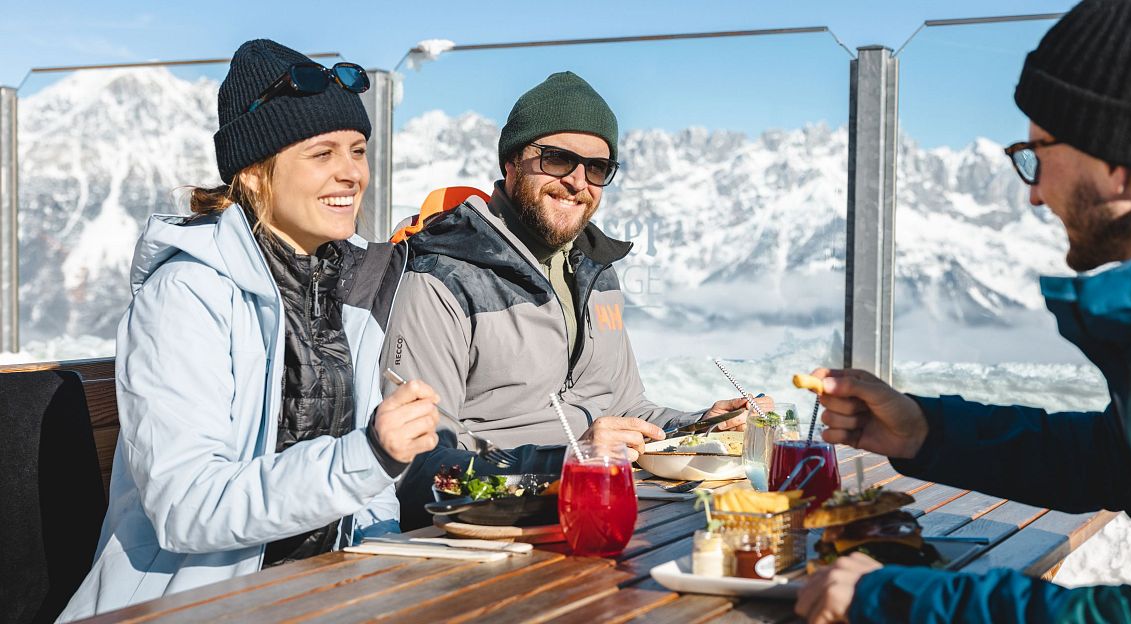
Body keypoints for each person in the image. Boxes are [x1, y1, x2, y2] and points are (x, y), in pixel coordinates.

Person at [795, 0, 1131, 622]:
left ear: (1117, 160)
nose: (1033, 192)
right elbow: (1121, 460)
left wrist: (894, 601)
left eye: (1036, 154)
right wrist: (924, 430)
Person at [58, 40, 441, 620]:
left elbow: (367, 491)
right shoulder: (186, 294)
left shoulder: (349, 286)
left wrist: (382, 567)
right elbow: (186, 506)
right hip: (191, 602)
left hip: (321, 595)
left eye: (358, 150)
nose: (351, 173)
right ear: (256, 174)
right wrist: (366, 455)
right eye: (322, 154)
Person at [384, 71, 770, 529]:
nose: (578, 182)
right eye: (557, 160)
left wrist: (700, 427)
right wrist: (565, 461)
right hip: (488, 537)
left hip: (595, 510)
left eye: (597, 168)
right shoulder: (441, 277)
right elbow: (416, 470)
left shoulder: (596, 270)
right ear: (511, 163)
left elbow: (624, 409)